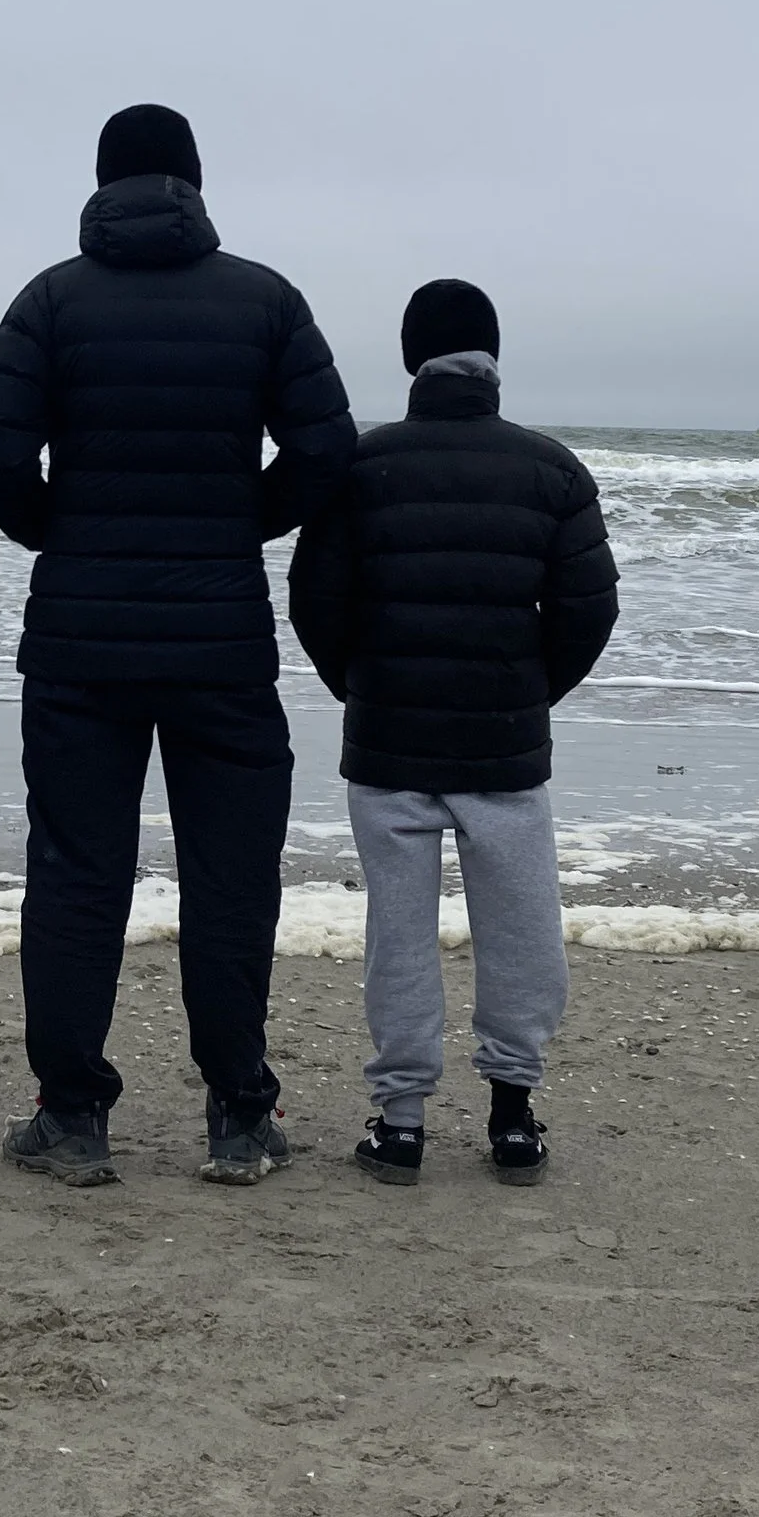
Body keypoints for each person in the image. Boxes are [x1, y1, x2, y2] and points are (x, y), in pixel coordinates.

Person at [0, 105, 354, 1186]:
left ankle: (74, 1116)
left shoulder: (51, 299)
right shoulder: (263, 299)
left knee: (77, 874)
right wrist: (241, 523)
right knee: (231, 879)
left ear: (101, 184)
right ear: (193, 183)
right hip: (220, 640)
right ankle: (236, 1116)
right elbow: (325, 449)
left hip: (80, 643)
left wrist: (62, 530)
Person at [288, 277, 617, 1186]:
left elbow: (316, 599)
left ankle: (401, 1124)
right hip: (503, 741)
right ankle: (513, 1117)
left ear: (410, 359)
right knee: (520, 927)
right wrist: (532, 691)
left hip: (388, 736)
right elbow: (590, 609)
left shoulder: (363, 465)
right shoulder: (550, 469)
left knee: (398, 932)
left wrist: (356, 683)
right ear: (494, 359)